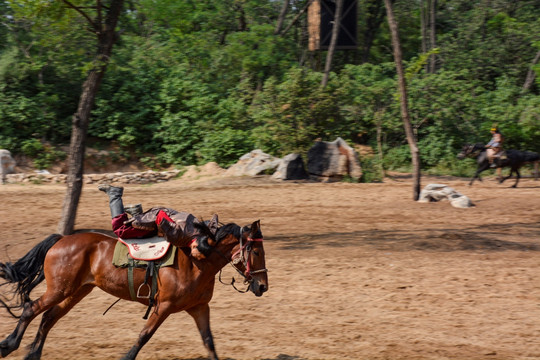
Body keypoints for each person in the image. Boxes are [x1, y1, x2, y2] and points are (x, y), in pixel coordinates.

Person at [98, 184, 213, 259]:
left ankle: (136, 213)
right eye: (199, 256)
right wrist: (161, 231)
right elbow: (161, 217)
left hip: (169, 215)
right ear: (196, 245)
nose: (198, 258)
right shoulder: (178, 235)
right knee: (120, 230)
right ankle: (115, 194)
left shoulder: (201, 232)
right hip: (156, 217)